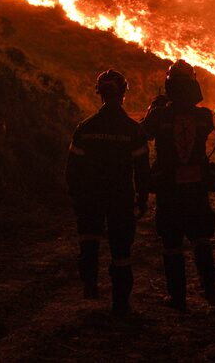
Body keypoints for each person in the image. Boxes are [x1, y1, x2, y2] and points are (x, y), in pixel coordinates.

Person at [65, 69, 150, 316]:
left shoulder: (85, 127)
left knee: (89, 240)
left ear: (100, 95)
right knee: (121, 251)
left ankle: (90, 284)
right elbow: (142, 169)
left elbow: (72, 168)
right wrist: (142, 198)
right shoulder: (132, 130)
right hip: (120, 199)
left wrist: (75, 196)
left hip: (90, 197)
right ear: (123, 94)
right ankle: (120, 303)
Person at [142, 60, 215, 311]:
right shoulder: (204, 116)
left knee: (172, 244)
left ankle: (178, 298)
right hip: (196, 188)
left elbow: (144, 133)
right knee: (201, 239)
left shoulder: (159, 114)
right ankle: (211, 293)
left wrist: (155, 108)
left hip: (169, 189)